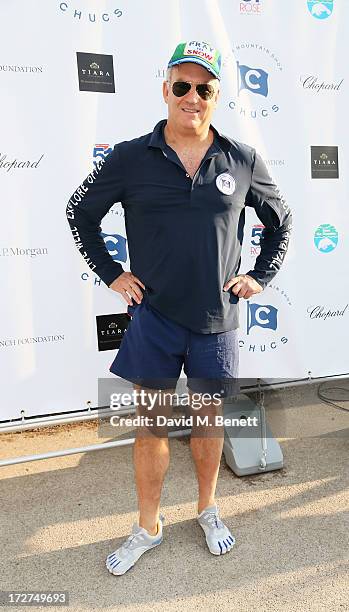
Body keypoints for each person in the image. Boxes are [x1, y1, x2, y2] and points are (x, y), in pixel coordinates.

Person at [66, 40, 292, 576]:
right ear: (166, 89)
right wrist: (113, 273)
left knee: (209, 424)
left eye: (204, 88)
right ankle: (148, 525)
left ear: (216, 95)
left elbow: (280, 218)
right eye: (183, 86)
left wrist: (260, 276)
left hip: (216, 319)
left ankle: (207, 510)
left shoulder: (241, 158)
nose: (193, 96)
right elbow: (81, 212)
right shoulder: (128, 157)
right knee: (152, 427)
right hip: (155, 318)